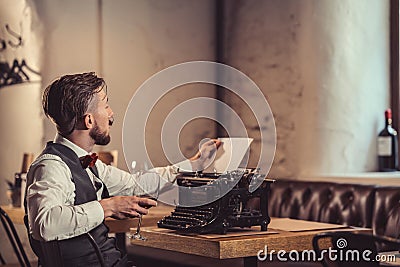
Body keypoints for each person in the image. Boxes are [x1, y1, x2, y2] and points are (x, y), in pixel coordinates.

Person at [25, 72, 220, 266]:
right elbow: (44, 224)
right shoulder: (52, 165)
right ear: (89, 121)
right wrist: (109, 206)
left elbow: (137, 184)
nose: (111, 113)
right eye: (106, 105)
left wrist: (193, 164)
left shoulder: (86, 162)